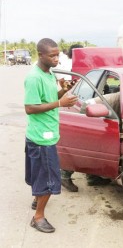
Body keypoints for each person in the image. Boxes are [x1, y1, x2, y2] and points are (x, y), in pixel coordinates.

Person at [24, 38, 78, 233]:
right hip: (41, 138)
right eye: (52, 55)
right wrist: (60, 104)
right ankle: (38, 217)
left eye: (58, 55)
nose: (57, 58)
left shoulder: (49, 73)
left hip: (47, 134)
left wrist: (63, 92)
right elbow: (30, 108)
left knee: (39, 174)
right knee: (48, 179)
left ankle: (36, 199)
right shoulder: (34, 77)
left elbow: (48, 98)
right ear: (41, 55)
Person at [56, 44, 84, 192]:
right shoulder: (69, 64)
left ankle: (95, 175)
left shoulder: (76, 64)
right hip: (72, 100)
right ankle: (65, 174)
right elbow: (64, 82)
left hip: (72, 98)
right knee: (77, 143)